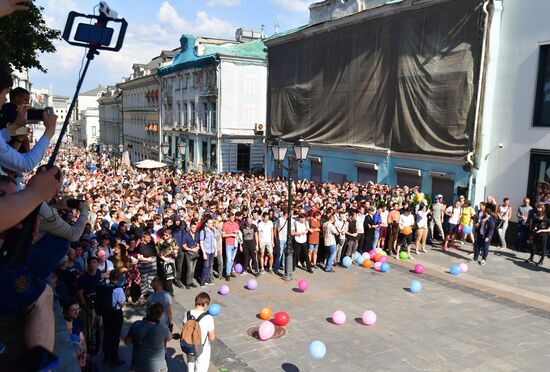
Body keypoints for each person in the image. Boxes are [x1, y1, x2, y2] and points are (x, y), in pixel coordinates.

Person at [125, 302, 172, 372]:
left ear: (149, 311)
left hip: (138, 366)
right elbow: (169, 338)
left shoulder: (136, 325)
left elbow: (127, 342)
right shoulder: (163, 328)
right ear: (161, 314)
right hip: (157, 367)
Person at [182, 292, 216, 372]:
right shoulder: (208, 317)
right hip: (202, 348)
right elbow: (212, 338)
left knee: (190, 368)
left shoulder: (186, 313)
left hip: (189, 345)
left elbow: (185, 329)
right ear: (206, 304)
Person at [102, 269, 126, 367]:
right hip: (116, 314)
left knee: (107, 334)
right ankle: (114, 358)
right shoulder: (118, 289)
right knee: (115, 336)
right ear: (118, 278)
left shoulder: (105, 287)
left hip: (106, 313)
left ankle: (106, 355)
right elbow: (122, 304)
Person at [222, 212, 240, 281]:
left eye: (234, 217)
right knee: (229, 260)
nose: (233, 218)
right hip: (228, 244)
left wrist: (237, 233)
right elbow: (223, 235)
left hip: (235, 244)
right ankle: (227, 274)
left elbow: (238, 234)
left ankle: (230, 271)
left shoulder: (236, 224)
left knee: (232, 259)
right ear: (229, 218)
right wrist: (232, 235)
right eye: (232, 217)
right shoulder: (225, 225)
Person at [199, 218, 217, 287]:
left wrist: (215, 250)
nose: (212, 224)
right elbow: (201, 242)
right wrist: (203, 253)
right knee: (205, 266)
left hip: (212, 250)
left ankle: (206, 279)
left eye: (212, 223)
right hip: (206, 251)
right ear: (206, 224)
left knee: (209, 266)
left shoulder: (213, 231)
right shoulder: (203, 231)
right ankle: (202, 280)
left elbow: (214, 240)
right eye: (210, 223)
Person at [183, 221, 200, 289]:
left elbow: (198, 243)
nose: (194, 229)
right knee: (189, 269)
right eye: (193, 227)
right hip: (188, 253)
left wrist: (198, 247)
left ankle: (191, 281)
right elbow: (184, 246)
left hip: (195, 253)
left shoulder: (197, 234)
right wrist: (191, 249)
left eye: (195, 227)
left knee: (193, 269)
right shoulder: (186, 235)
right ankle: (187, 283)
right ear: (190, 228)